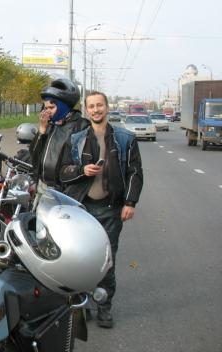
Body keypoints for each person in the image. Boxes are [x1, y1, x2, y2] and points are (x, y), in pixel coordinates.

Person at [59, 91, 143, 328]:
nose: (96, 110)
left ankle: (104, 307)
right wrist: (81, 171)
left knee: (106, 261)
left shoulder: (125, 139)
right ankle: (82, 304)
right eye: (91, 106)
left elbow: (135, 173)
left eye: (99, 105)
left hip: (110, 210)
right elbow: (63, 172)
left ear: (107, 107)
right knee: (79, 259)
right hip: (82, 210)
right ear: (87, 110)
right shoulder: (76, 139)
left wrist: (130, 203)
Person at [29, 77, 89, 192]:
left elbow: (83, 163)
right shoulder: (49, 124)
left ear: (63, 106)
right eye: (46, 108)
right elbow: (34, 154)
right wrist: (42, 130)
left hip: (66, 191)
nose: (47, 111)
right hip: (42, 186)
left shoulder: (81, 126)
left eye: (51, 107)